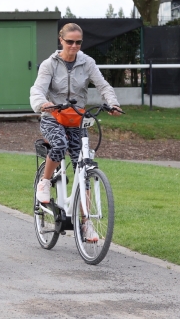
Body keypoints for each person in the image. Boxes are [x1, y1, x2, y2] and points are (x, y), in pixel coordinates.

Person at [29, 23, 123, 242]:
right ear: (61, 40)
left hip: (77, 119)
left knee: (85, 165)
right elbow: (37, 89)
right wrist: (42, 104)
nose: (74, 46)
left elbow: (103, 86)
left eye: (78, 42)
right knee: (59, 145)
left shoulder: (87, 62)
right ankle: (44, 183)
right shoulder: (49, 64)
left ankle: (86, 222)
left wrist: (113, 103)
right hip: (53, 117)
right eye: (69, 41)